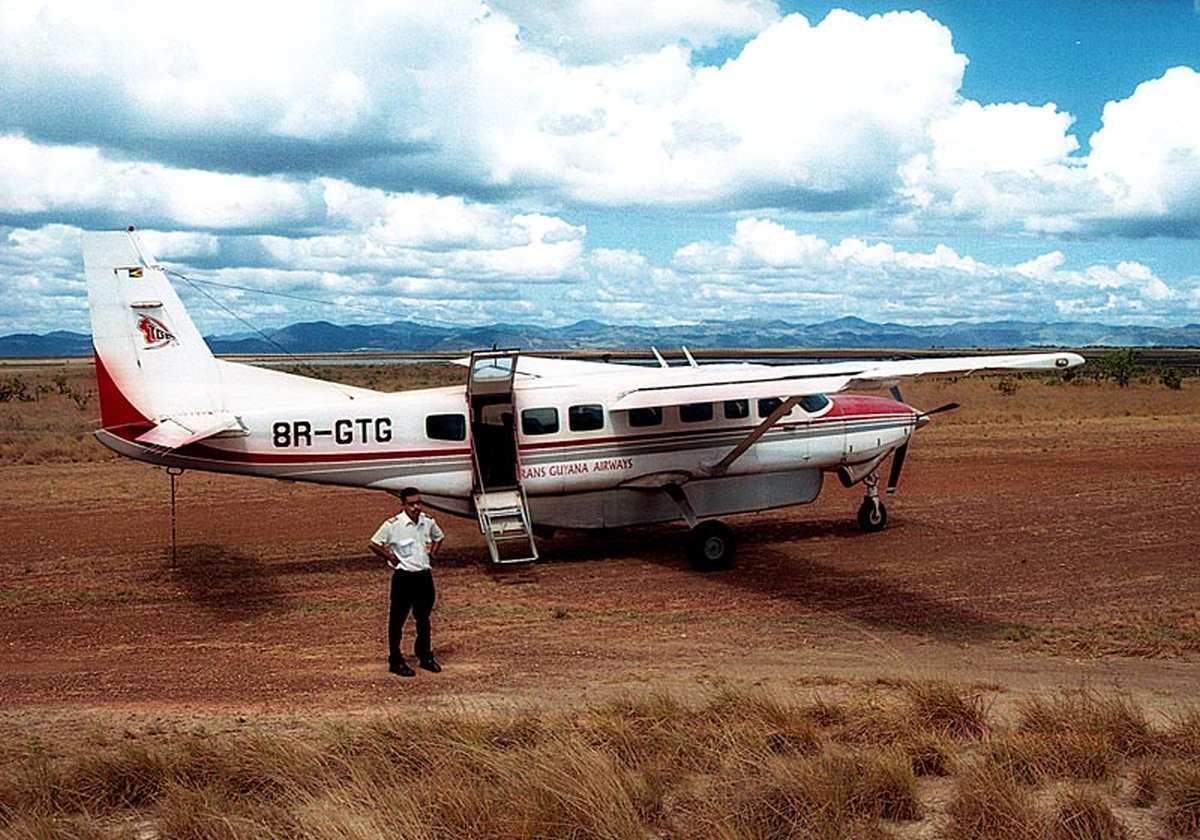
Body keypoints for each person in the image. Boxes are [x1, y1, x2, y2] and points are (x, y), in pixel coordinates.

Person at [369, 487, 445, 677]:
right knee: (397, 620)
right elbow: (374, 543)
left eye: (419, 503)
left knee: (423, 619)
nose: (416, 507)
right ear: (403, 505)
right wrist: (390, 557)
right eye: (411, 504)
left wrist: (433, 554)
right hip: (404, 578)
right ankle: (395, 660)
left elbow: (439, 537)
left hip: (424, 577)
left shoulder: (427, 522)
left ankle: (425, 655)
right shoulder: (393, 525)